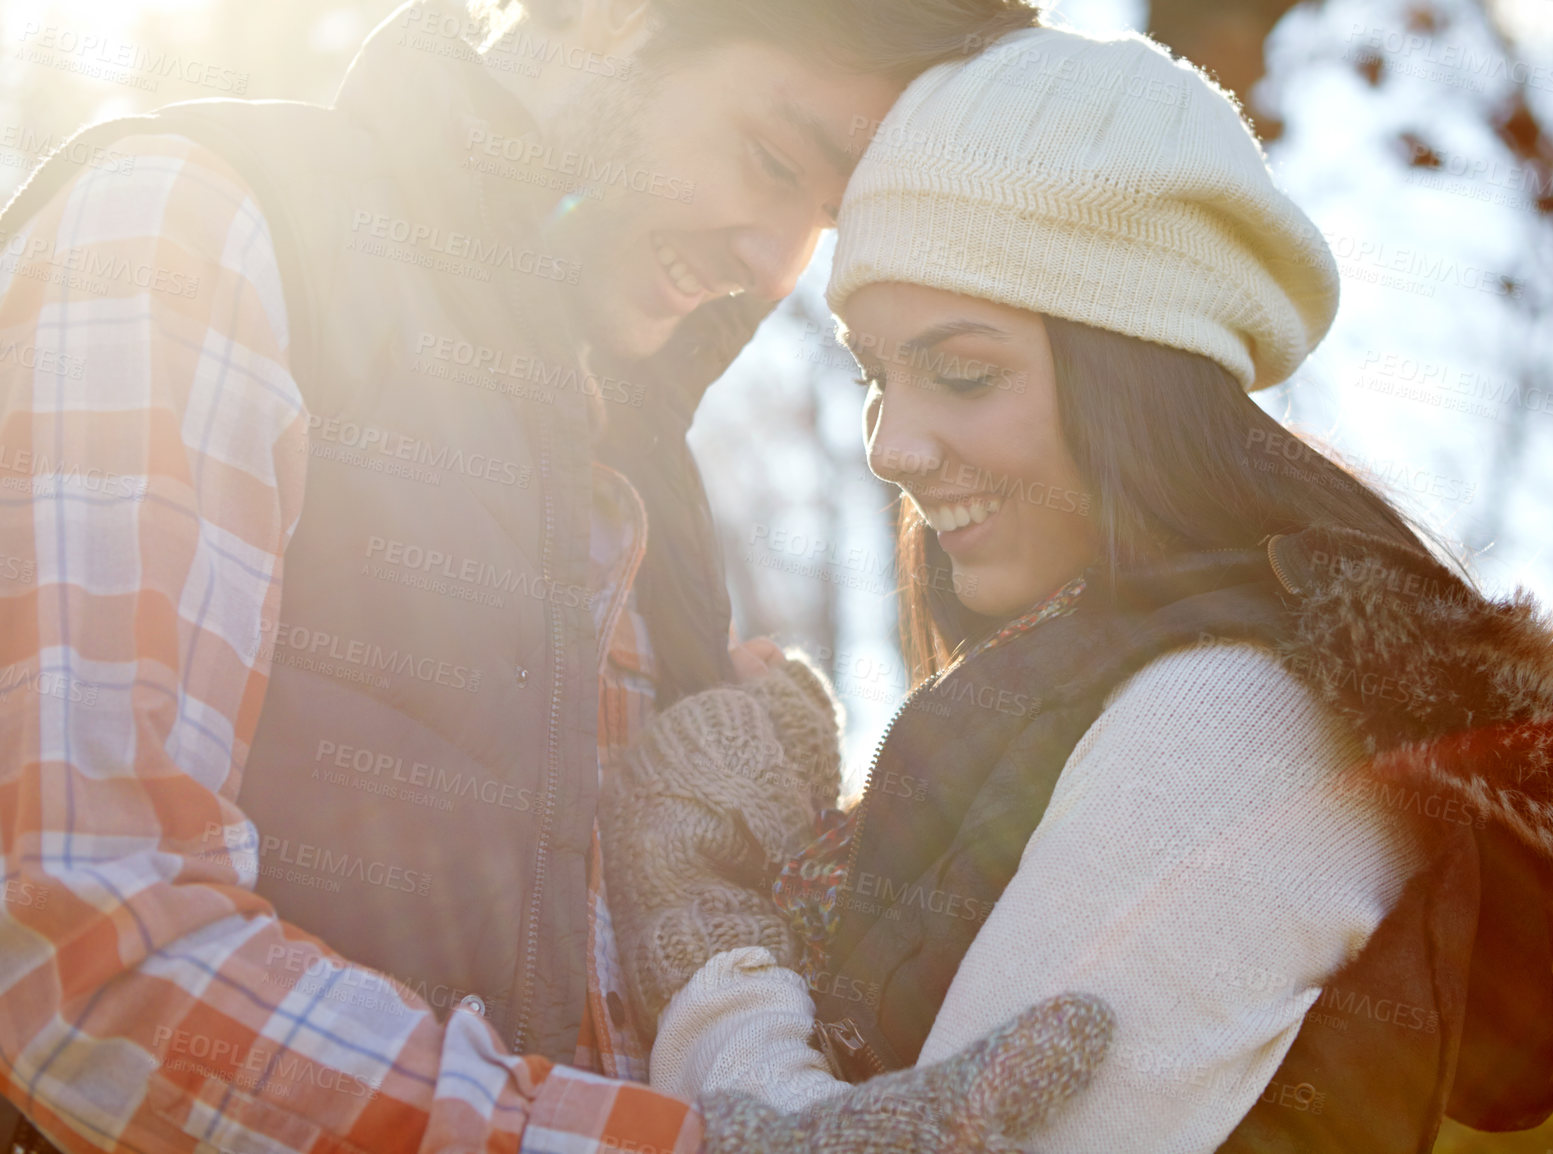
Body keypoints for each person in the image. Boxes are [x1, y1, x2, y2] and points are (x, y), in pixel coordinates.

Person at [0, 1, 1120, 1150]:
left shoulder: (649, 489)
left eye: (825, 218)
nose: (774, 263)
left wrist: (786, 874)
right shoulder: (195, 230)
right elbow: (85, 948)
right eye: (772, 158)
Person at [600, 25, 1553, 1153]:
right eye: (876, 372)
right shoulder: (1101, 686)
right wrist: (785, 848)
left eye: (961, 370)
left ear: (1134, 379)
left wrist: (710, 929)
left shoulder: (1230, 723)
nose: (891, 444)